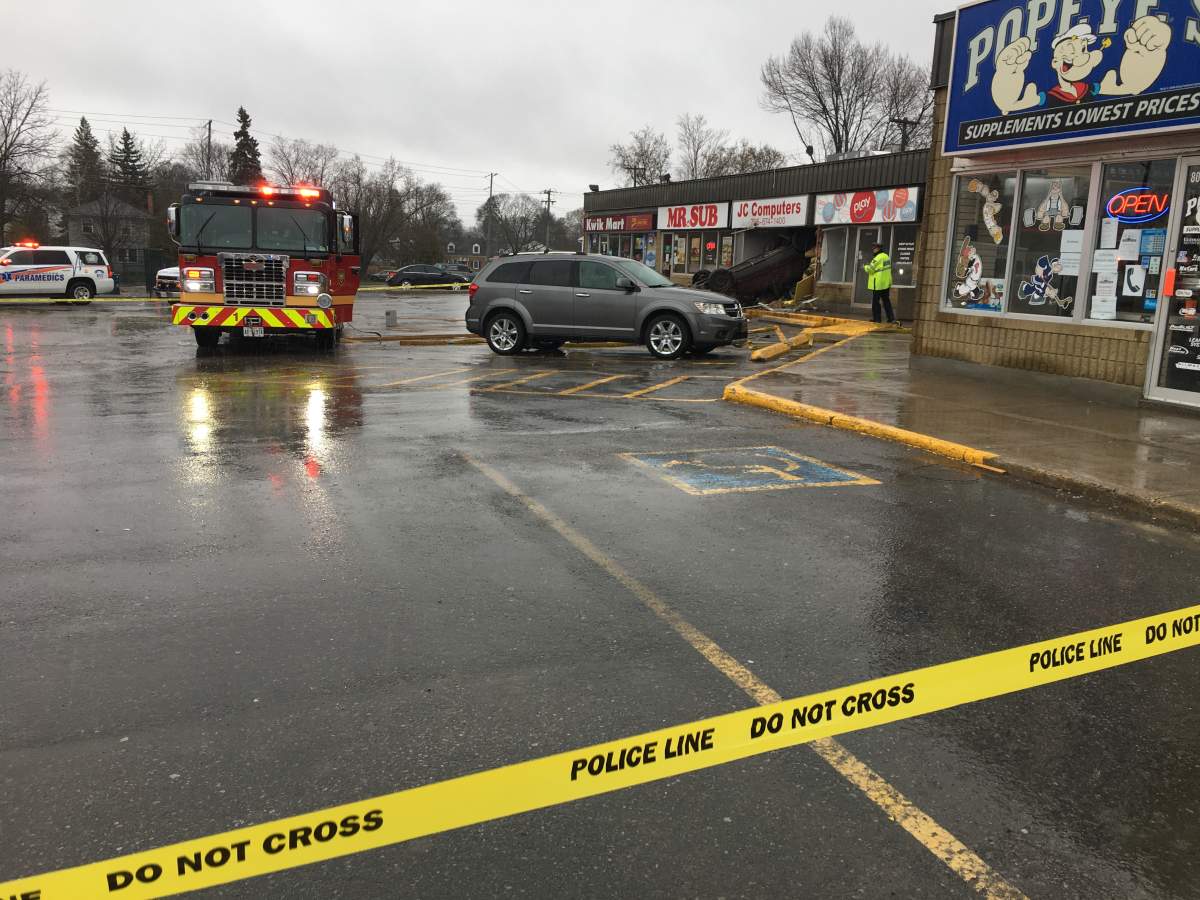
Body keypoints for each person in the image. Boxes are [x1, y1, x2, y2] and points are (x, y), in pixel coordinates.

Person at [864, 242, 896, 324]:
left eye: (874, 248)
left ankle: (877, 319)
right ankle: (891, 318)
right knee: (886, 301)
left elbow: (870, 269)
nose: (873, 250)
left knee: (876, 302)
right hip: (885, 283)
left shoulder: (877, 258)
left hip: (878, 284)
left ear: (878, 249)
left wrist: (865, 266)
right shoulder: (886, 256)